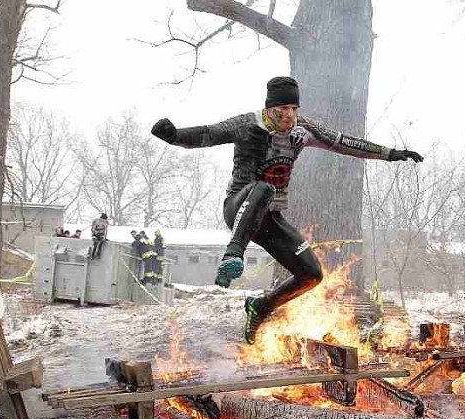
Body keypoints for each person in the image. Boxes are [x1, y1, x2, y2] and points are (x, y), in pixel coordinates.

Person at [151, 76, 423, 343]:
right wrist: (173, 136)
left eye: (294, 109)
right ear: (269, 109)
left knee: (311, 275)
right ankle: (233, 255)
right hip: (239, 208)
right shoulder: (246, 124)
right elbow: (208, 134)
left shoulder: (303, 129)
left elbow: (345, 142)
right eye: (283, 111)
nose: (290, 117)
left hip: (270, 219)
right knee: (265, 188)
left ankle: (261, 307)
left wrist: (390, 153)